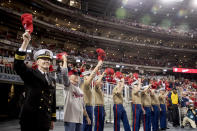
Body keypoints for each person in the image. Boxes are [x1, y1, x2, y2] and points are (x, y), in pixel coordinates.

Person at [14, 31, 56, 131]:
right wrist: (25, 43)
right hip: (30, 119)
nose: (47, 61)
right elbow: (18, 66)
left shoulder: (52, 79)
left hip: (45, 120)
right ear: (37, 61)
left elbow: (52, 100)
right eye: (43, 59)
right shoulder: (31, 74)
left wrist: (52, 119)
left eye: (48, 60)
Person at [61, 54, 91, 131]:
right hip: (70, 119)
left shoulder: (80, 90)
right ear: (69, 79)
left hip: (79, 119)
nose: (76, 80)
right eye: (74, 79)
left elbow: (83, 106)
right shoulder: (68, 86)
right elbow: (64, 75)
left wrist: (87, 117)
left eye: (77, 79)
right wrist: (65, 61)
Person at [81, 60, 103, 131]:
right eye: (88, 76)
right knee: (86, 126)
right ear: (85, 77)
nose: (91, 78)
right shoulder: (85, 84)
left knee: (88, 126)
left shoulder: (87, 86)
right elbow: (92, 76)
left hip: (89, 107)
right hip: (87, 107)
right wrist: (97, 66)